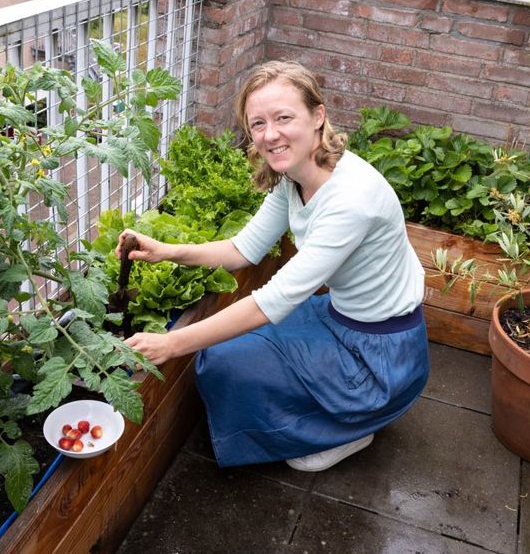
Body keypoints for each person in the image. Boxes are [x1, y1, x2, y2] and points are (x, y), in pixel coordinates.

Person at [116, 60, 429, 471]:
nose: (270, 135)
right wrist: (169, 251)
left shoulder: (352, 200)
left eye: (284, 118)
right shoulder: (295, 176)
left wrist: (171, 343)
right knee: (219, 356)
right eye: (258, 123)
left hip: (379, 354)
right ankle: (328, 417)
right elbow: (244, 250)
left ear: (318, 116)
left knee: (222, 361)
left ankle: (349, 427)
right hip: (342, 316)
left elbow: (272, 301)